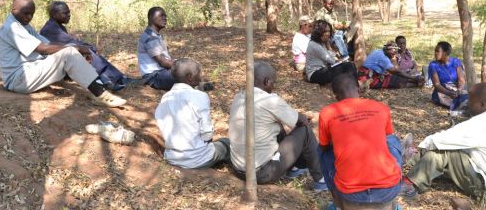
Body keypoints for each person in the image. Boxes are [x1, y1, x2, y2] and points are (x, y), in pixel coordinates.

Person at [0, 0, 126, 107]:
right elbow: (43, 48)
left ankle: (99, 86)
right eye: (26, 13)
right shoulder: (11, 28)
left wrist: (77, 51)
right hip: (18, 79)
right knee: (69, 52)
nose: (29, 17)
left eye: (32, 14)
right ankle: (100, 94)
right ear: (14, 10)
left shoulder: (23, 25)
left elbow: (47, 43)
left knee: (69, 50)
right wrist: (76, 49)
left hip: (29, 73)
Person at [401, 83, 486, 206]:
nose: (468, 103)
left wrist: (421, 147)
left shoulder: (481, 124)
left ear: (482, 104)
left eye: (471, 100)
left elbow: (441, 140)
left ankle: (409, 184)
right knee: (447, 149)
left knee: (441, 152)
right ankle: (408, 157)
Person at [228, 60, 327, 191]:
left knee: (276, 124)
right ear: (267, 81)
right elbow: (301, 121)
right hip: (261, 172)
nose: (273, 86)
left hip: (238, 169)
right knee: (305, 131)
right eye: (273, 82)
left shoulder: (239, 96)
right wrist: (305, 116)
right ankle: (321, 180)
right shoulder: (269, 100)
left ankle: (294, 167)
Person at [318, 71, 404, 209]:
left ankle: (337, 203)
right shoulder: (381, 108)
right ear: (358, 87)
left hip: (351, 194)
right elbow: (386, 139)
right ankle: (395, 195)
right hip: (387, 190)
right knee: (392, 140)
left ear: (335, 96)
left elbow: (324, 147)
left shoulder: (327, 113)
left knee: (322, 150)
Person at [155, 58, 230, 169]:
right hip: (197, 159)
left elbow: (161, 121)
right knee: (227, 143)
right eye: (198, 73)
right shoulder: (199, 96)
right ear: (189, 77)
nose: (200, 77)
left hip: (172, 158)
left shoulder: (165, 98)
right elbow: (207, 134)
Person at [40, 1, 128, 91]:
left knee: (86, 51)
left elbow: (71, 42)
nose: (69, 15)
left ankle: (114, 78)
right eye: (65, 13)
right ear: (54, 14)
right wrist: (91, 48)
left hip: (64, 63)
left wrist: (89, 48)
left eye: (69, 12)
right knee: (86, 52)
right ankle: (109, 79)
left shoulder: (56, 26)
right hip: (57, 67)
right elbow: (73, 44)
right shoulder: (50, 29)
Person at [305, 20, 356, 85]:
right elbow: (331, 60)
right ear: (319, 32)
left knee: (349, 65)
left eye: (329, 31)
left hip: (322, 69)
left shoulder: (320, 42)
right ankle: (354, 86)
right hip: (314, 75)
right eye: (326, 31)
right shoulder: (315, 45)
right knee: (349, 65)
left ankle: (352, 85)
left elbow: (331, 58)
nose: (328, 34)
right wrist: (328, 46)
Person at [136, 6, 175, 90]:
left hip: (161, 72)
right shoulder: (150, 37)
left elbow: (167, 59)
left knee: (187, 73)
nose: (165, 18)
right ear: (151, 18)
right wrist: (181, 66)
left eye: (165, 16)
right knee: (185, 76)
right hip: (153, 77)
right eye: (161, 15)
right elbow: (163, 62)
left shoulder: (156, 35)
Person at [358, 42, 424, 90]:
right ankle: (416, 83)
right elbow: (396, 71)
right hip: (366, 78)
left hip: (368, 74)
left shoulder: (378, 51)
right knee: (397, 82)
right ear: (388, 50)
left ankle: (417, 81)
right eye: (394, 51)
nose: (394, 54)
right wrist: (413, 78)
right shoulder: (383, 57)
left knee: (396, 78)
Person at [428, 41, 467, 107]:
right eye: (435, 51)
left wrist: (459, 90)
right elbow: (437, 85)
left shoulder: (455, 62)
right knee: (458, 102)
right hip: (442, 92)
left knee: (468, 97)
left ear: (445, 53)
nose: (435, 53)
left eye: (437, 51)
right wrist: (449, 93)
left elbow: (461, 80)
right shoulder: (433, 65)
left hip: (456, 89)